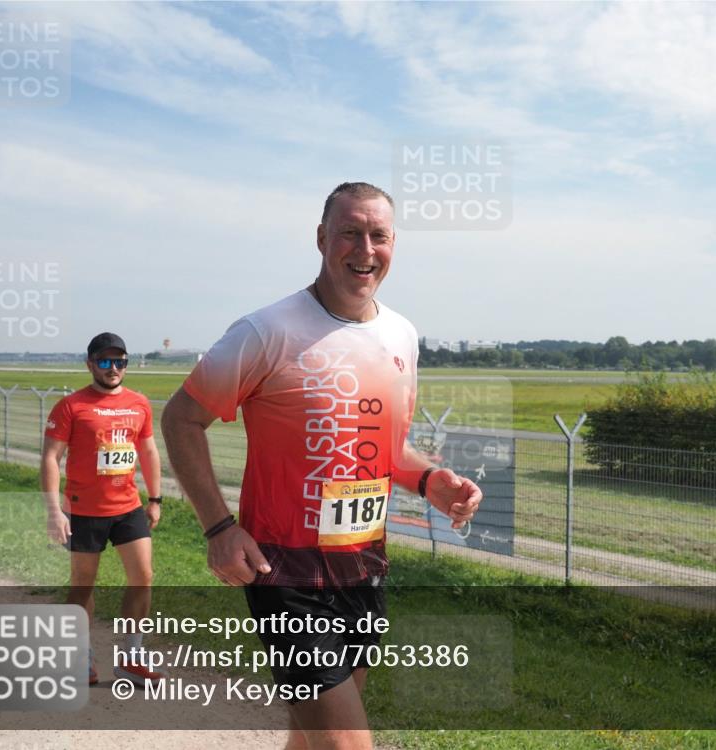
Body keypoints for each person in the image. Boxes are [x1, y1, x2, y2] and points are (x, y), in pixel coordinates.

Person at [161, 182, 483, 749]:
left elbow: (385, 447)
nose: (365, 249)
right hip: (284, 570)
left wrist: (430, 480)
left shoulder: (401, 335)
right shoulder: (267, 331)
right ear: (321, 238)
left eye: (378, 235)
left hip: (364, 561)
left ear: (394, 244)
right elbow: (181, 419)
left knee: (309, 740)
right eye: (349, 233)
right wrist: (218, 528)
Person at [41, 332, 165, 686]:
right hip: (83, 511)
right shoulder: (71, 406)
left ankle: (131, 659)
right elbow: (50, 458)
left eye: (120, 361)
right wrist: (54, 511)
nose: (113, 368)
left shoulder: (139, 403)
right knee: (83, 585)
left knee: (143, 577)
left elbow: (148, 452)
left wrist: (155, 499)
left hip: (128, 507)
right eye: (105, 361)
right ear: (90, 364)